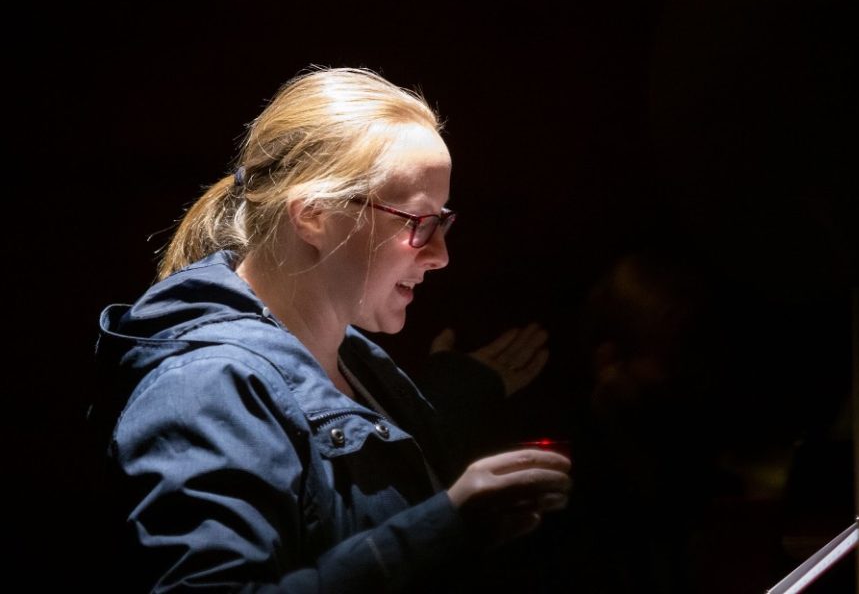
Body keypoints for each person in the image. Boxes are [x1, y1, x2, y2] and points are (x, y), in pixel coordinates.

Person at [90, 66, 571, 592]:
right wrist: (443, 530)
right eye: (419, 224)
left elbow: (333, 465)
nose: (441, 256)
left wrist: (454, 398)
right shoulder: (204, 388)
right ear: (314, 216)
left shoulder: (353, 358)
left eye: (443, 221)